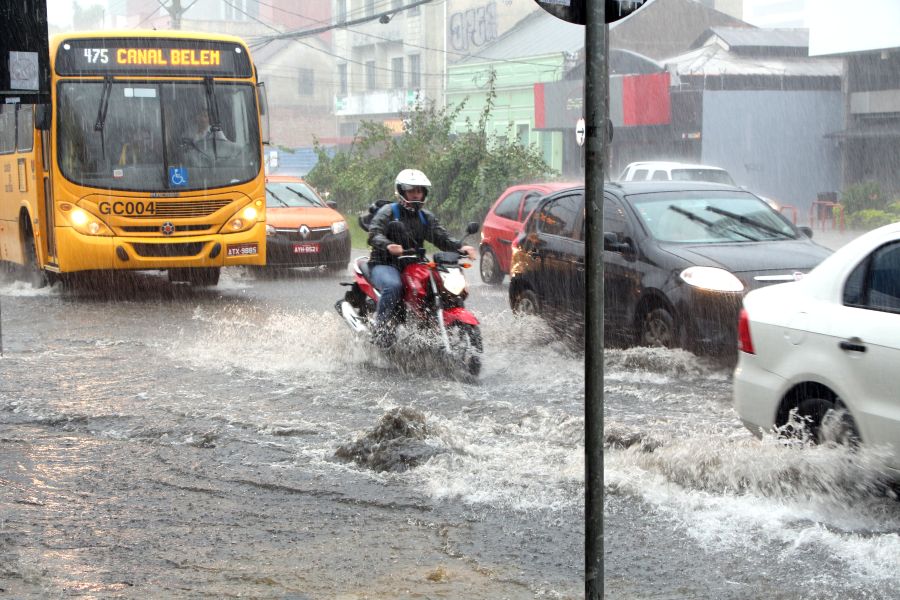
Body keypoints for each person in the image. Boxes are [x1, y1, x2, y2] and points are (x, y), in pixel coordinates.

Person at [367, 168, 476, 347]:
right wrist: (388, 245)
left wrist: (461, 247)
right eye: (411, 191)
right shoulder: (388, 211)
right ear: (402, 192)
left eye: (419, 191)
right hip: (385, 263)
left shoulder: (425, 217)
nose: (416, 195)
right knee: (394, 286)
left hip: (413, 263)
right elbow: (374, 233)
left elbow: (441, 237)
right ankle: (381, 330)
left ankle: (430, 322)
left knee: (439, 283)